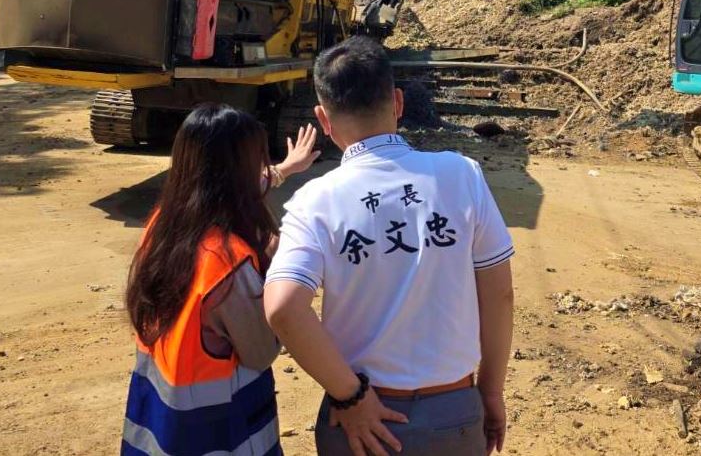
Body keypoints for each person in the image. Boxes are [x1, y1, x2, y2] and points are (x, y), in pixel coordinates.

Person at [264, 36, 515, 456]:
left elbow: (283, 307)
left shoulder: (316, 200)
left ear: (324, 120)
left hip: (360, 423)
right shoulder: (462, 176)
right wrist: (489, 392)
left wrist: (351, 396)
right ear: (398, 102)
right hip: (451, 413)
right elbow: (500, 295)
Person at [122, 103, 319, 456]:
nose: (261, 167)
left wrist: (284, 170)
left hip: (159, 420)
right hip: (215, 434)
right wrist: (277, 265)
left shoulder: (164, 224)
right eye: (255, 160)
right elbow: (261, 352)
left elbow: (235, 188)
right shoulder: (229, 267)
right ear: (237, 172)